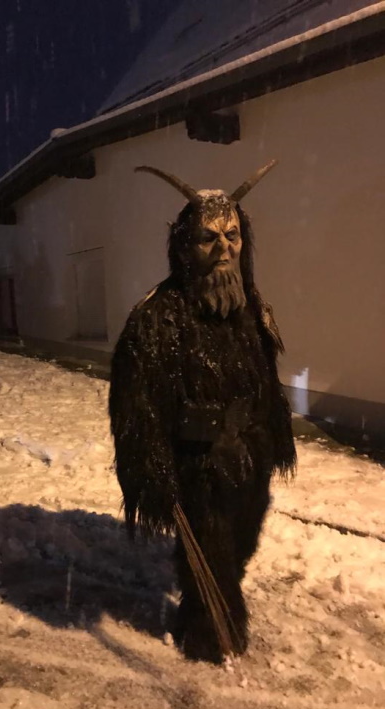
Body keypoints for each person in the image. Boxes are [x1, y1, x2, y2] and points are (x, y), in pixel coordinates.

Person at [109, 161, 296, 663]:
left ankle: (217, 609)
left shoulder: (252, 308)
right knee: (209, 552)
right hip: (198, 462)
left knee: (242, 541)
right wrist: (154, 471)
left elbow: (268, 383)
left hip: (250, 454)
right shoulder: (157, 317)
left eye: (232, 236)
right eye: (208, 238)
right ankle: (207, 632)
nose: (223, 249)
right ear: (184, 246)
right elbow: (137, 408)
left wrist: (275, 436)